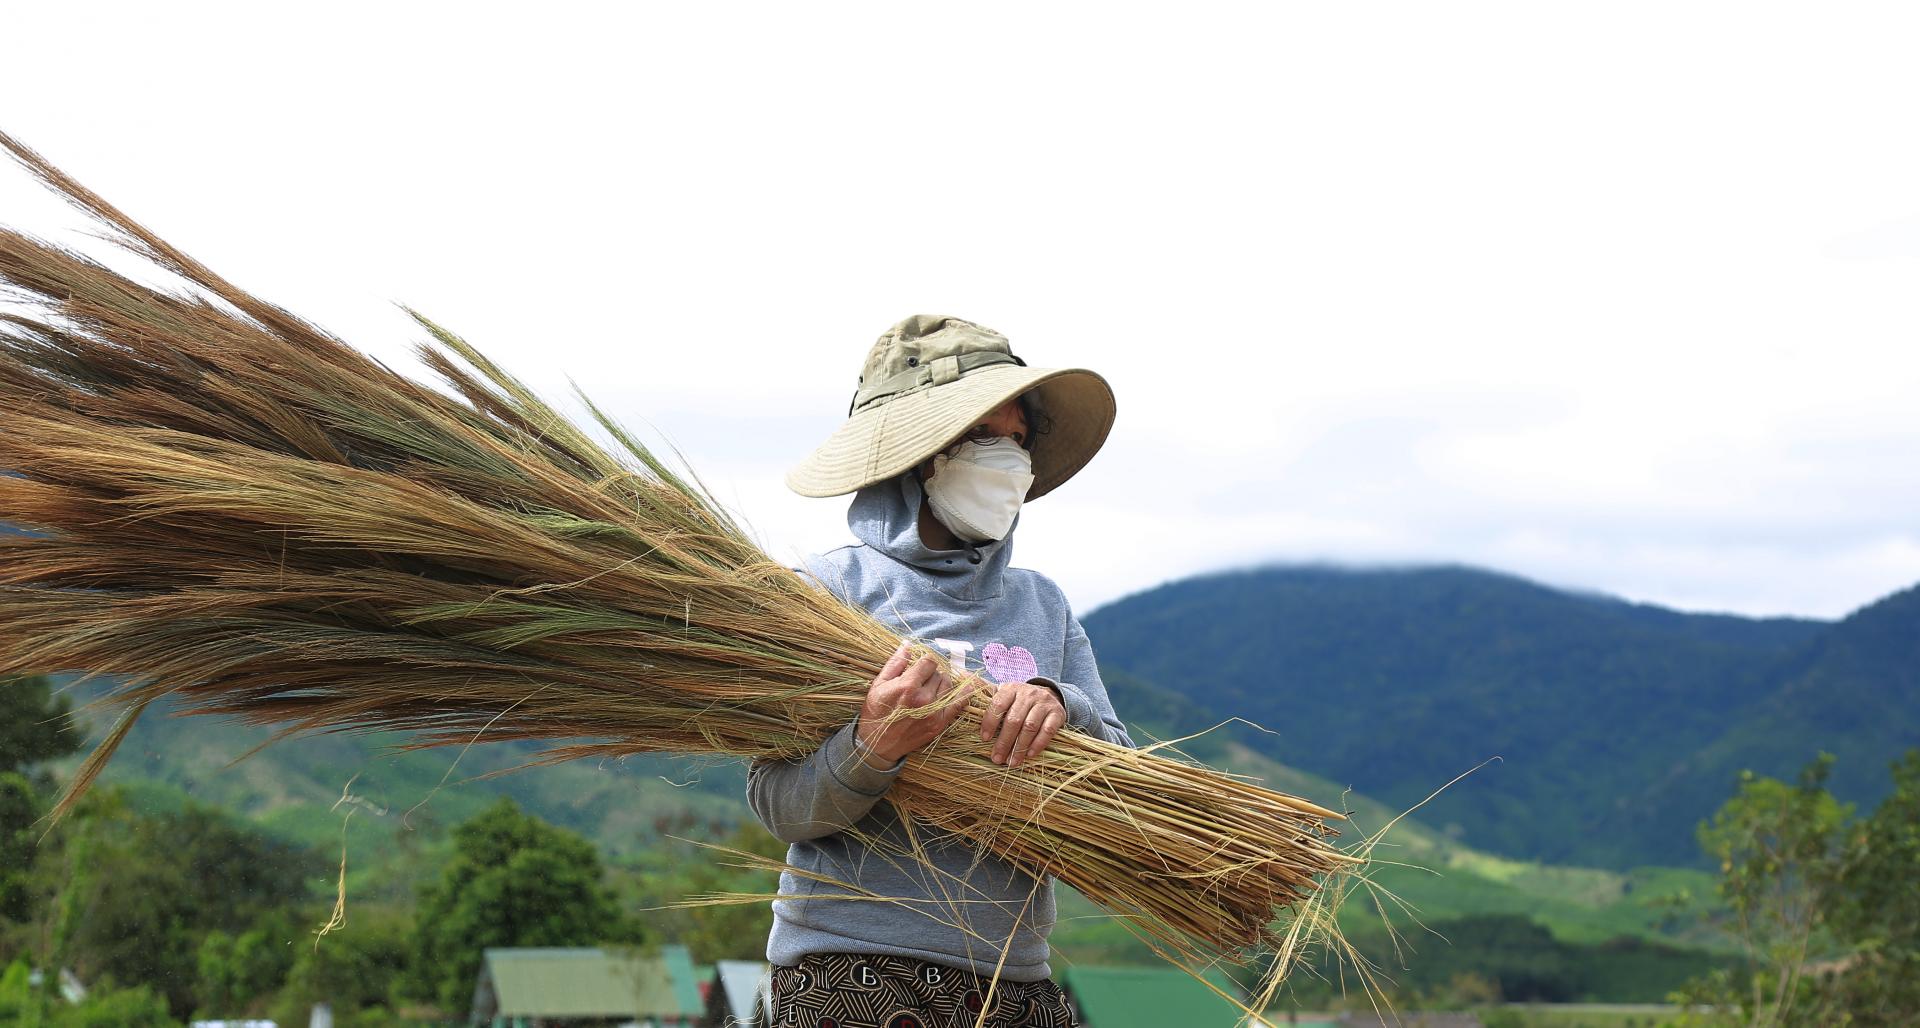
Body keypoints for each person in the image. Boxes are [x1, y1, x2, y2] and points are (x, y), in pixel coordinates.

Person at [749, 315, 1133, 1028]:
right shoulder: (828, 594)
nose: (1011, 458)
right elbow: (780, 807)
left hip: (1015, 981)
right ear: (921, 454)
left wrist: (1063, 705)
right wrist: (873, 746)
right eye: (986, 435)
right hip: (850, 973)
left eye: (1019, 440)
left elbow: (1129, 783)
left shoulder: (1043, 607)